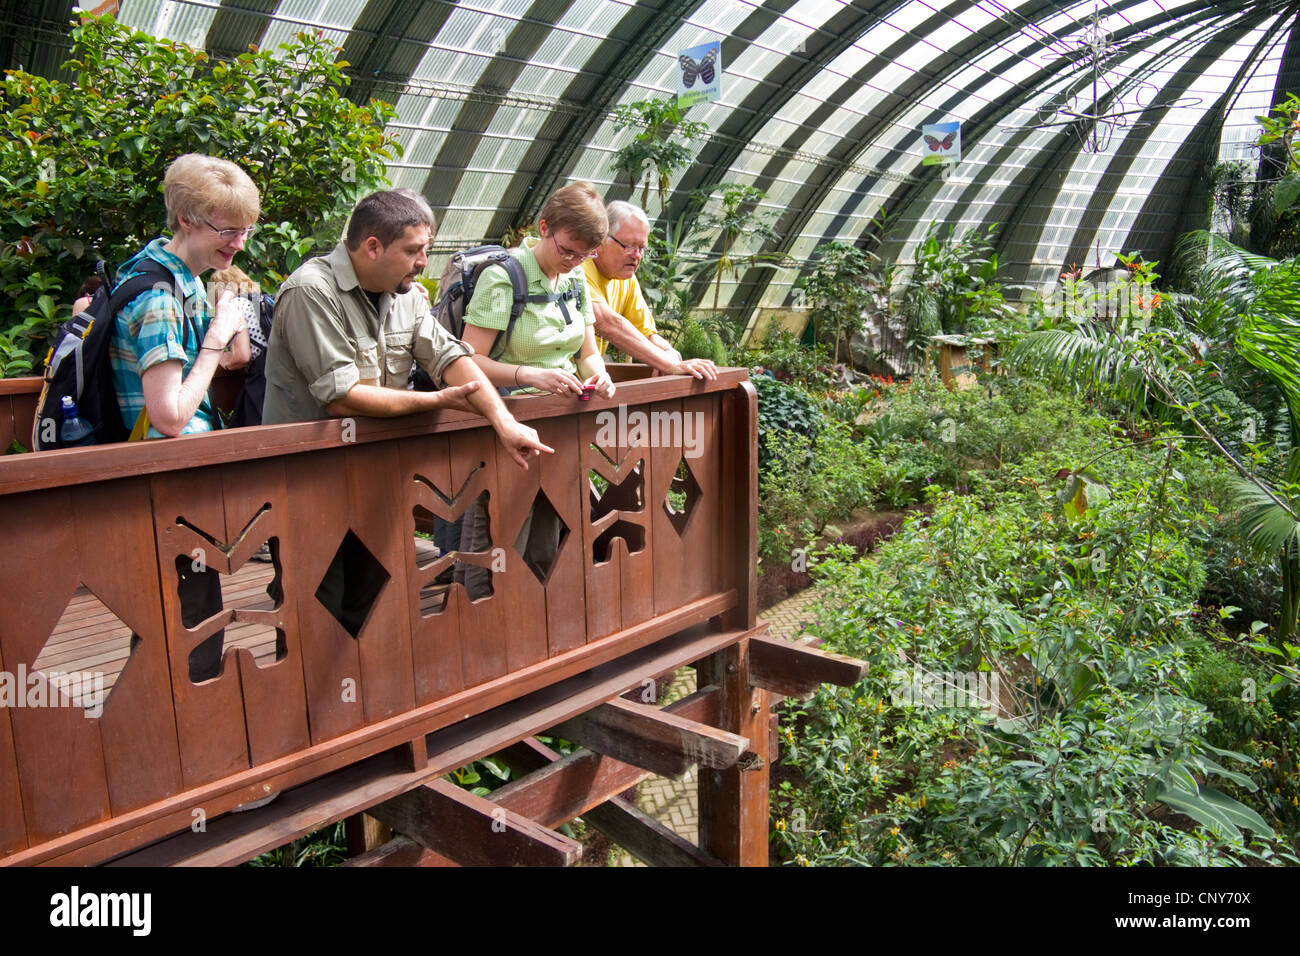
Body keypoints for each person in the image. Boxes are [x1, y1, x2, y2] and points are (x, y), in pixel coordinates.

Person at [262, 188, 553, 632]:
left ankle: (365, 699)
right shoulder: (310, 291)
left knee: (374, 607)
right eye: (414, 250)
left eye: (426, 250)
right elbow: (342, 396)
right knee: (315, 616)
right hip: (309, 485)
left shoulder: (405, 297)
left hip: (375, 481)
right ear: (372, 246)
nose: (423, 262)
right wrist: (436, 402)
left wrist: (504, 422)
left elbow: (453, 359)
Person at [108, 153, 260, 682]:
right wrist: (217, 338)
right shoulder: (158, 298)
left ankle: (170, 719)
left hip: (173, 477)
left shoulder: (179, 278)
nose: (238, 243)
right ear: (186, 220)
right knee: (192, 612)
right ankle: (183, 729)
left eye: (245, 231)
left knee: (182, 610)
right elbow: (170, 416)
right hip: (163, 477)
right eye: (227, 230)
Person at [455, 181, 616, 597]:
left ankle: (540, 618)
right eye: (567, 250)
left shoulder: (576, 279)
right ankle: (483, 623)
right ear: (544, 228)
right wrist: (529, 374)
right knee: (498, 532)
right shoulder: (502, 278)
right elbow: (468, 361)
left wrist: (600, 375)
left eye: (585, 254)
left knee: (550, 529)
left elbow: (588, 353)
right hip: (507, 426)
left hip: (560, 428)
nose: (574, 261)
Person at [582, 200, 717, 380]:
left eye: (641, 248)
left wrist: (670, 353)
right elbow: (606, 322)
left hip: (588, 386)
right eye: (628, 246)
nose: (636, 256)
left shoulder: (624, 278)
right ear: (600, 240)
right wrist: (669, 365)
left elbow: (647, 335)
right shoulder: (578, 266)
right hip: (551, 388)